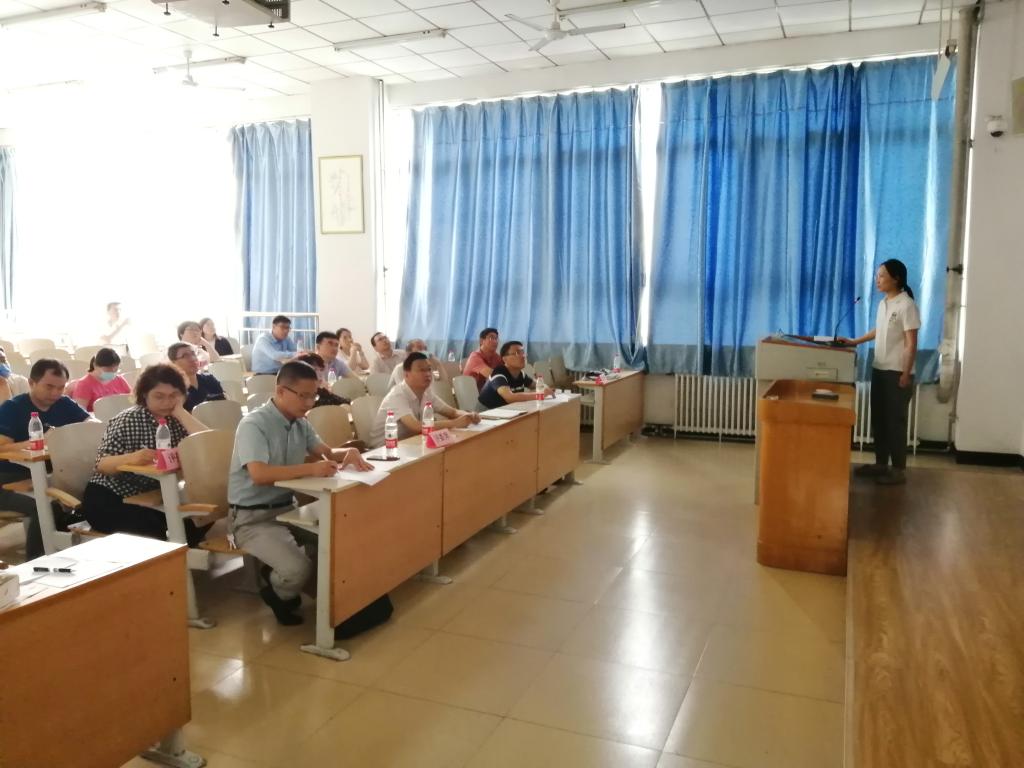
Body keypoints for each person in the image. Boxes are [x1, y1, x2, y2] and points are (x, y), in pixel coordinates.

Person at [227, 361, 375, 629]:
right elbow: (259, 474)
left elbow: (326, 452)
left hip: (288, 509)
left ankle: (288, 582)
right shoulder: (253, 424)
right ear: (280, 391)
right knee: (297, 570)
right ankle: (278, 590)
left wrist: (349, 452)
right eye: (303, 396)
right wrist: (310, 468)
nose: (309, 403)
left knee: (341, 545)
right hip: (251, 517)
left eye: (313, 396)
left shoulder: (299, 423)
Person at [80, 364, 211, 544]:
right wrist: (132, 458)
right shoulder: (128, 419)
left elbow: (208, 445)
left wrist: (181, 412)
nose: (167, 402)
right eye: (159, 396)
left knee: (204, 514)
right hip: (111, 496)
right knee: (156, 532)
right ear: (144, 395)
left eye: (173, 396)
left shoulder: (177, 418)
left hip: (156, 495)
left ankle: (182, 554)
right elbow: (102, 465)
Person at [840, 258, 920, 485]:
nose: (877, 279)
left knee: (895, 423)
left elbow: (911, 343)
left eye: (882, 275)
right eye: (877, 275)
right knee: (879, 420)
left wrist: (905, 373)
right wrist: (855, 341)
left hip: (897, 372)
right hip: (880, 369)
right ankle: (881, 464)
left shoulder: (907, 305)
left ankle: (898, 470)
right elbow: (880, 330)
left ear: (896, 278)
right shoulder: (884, 303)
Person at [0, 359, 91, 558]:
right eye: (49, 386)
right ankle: (38, 560)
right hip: (8, 481)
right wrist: (38, 442)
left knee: (88, 494)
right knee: (45, 507)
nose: (56, 393)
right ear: (31, 383)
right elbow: (2, 446)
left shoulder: (64, 403)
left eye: (61, 387)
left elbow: (91, 424)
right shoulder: (12, 408)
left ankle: (70, 554)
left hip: (47, 476)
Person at [369, 352, 480, 447]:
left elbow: (453, 412)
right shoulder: (397, 395)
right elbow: (415, 426)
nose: (427, 374)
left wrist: (469, 416)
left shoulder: (427, 392)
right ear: (406, 374)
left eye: (429, 369)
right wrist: (454, 423)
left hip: (409, 444)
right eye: (421, 370)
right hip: (384, 449)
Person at [478, 340, 553, 410]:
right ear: (505, 359)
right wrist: (540, 395)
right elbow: (510, 398)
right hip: (487, 412)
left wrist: (546, 389)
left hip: (507, 410)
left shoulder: (521, 374)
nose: (523, 356)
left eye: (523, 352)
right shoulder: (498, 373)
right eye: (517, 353)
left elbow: (538, 385)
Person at [168, 342, 226, 412]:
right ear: (173, 364)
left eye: (193, 354)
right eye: (185, 356)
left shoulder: (209, 380)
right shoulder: (174, 390)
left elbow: (225, 406)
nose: (192, 359)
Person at [71, 347, 131, 411]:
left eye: (116, 370)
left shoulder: (119, 379)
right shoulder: (84, 384)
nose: (112, 373)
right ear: (95, 365)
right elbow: (80, 412)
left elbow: (132, 400)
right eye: (108, 369)